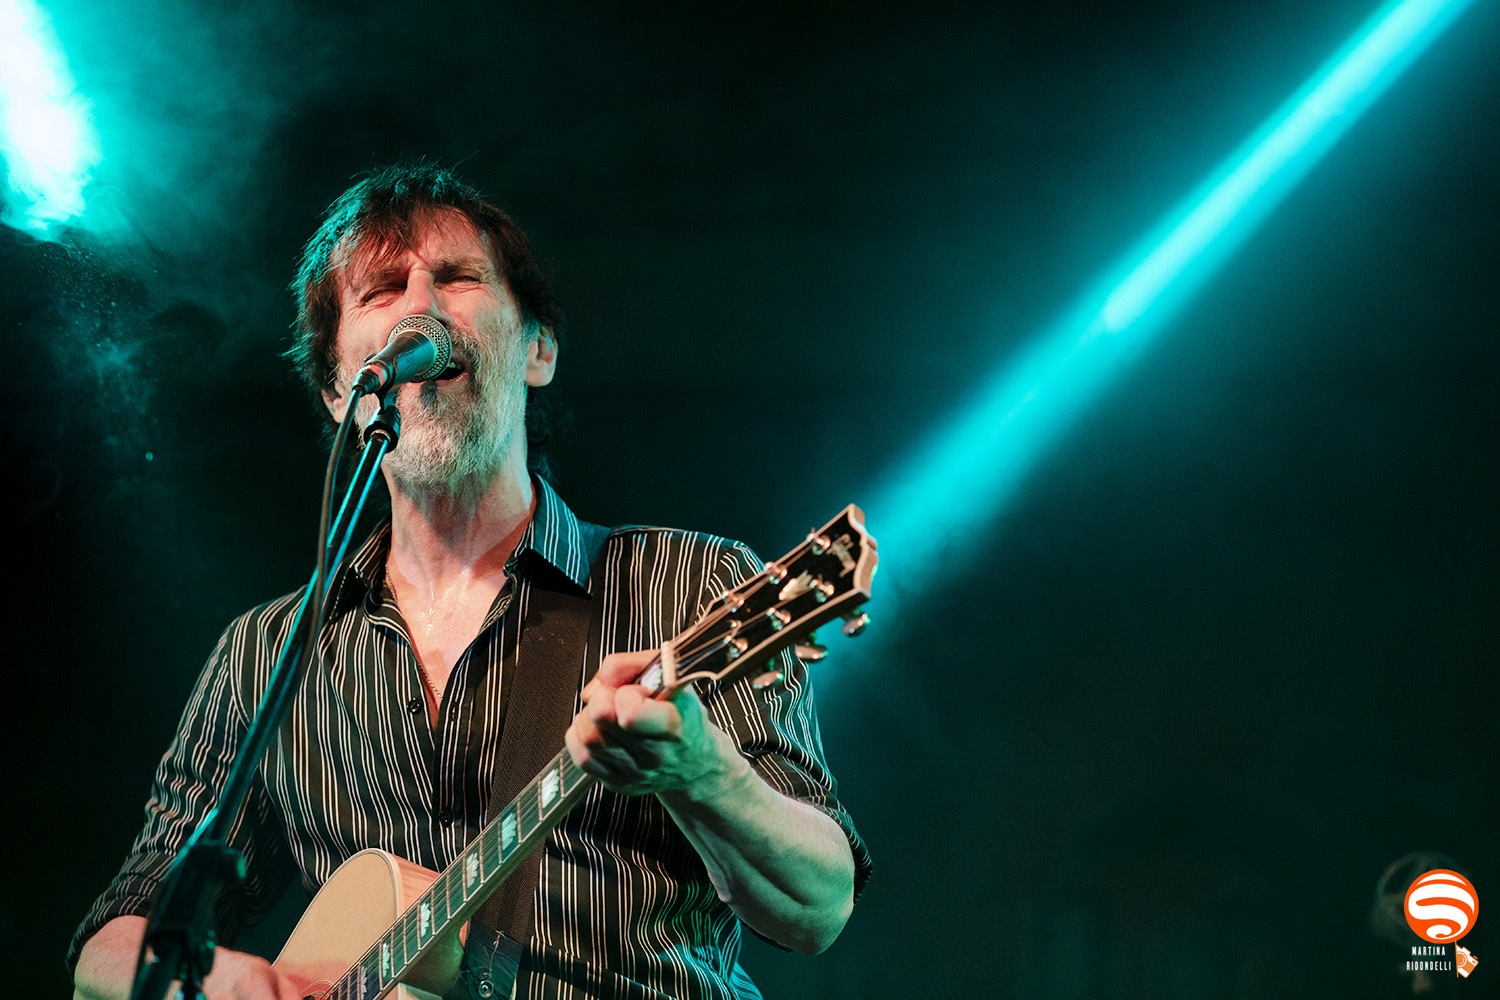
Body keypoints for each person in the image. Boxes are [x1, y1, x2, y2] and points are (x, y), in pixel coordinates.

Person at [68, 163, 871, 999]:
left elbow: (817, 907)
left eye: (456, 277)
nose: (420, 306)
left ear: (538, 351)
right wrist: (228, 989)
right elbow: (115, 938)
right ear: (339, 391)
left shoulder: (689, 582)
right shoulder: (267, 654)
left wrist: (700, 771)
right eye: (382, 290)